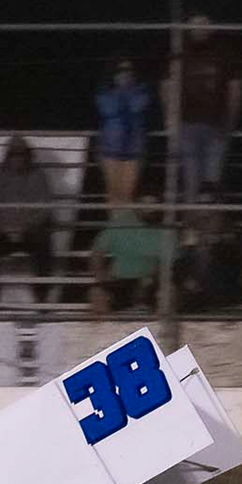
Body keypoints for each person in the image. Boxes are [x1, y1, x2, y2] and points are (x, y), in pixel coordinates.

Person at [172, 12, 242, 202]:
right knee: (192, 183)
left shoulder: (225, 52)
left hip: (216, 124)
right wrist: (171, 121)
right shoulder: (180, 52)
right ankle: (192, 221)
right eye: (195, 24)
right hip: (188, 124)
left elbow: (235, 90)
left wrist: (230, 122)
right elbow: (168, 87)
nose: (199, 29)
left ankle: (208, 220)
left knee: (211, 184)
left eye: (203, 24)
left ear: (211, 27)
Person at [0, 135, 55, 305]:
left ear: (28, 155)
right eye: (13, 154)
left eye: (21, 154)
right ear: (7, 155)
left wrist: (26, 226)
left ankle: (41, 296)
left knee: (44, 240)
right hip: (1, 232)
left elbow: (46, 209)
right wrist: (5, 227)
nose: (17, 158)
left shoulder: (39, 176)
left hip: (30, 231)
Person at [88, 197, 165, 316]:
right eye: (146, 205)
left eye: (154, 206)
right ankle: (106, 327)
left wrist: (156, 278)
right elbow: (98, 251)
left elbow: (169, 262)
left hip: (150, 282)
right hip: (120, 281)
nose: (150, 209)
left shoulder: (165, 226)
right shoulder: (120, 223)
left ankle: (159, 327)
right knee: (97, 294)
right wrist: (101, 274)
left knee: (166, 294)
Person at [175, 189, 242, 312]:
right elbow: (178, 265)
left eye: (209, 204)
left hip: (221, 297)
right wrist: (186, 279)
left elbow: (234, 265)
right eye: (201, 205)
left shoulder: (230, 233)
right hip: (192, 299)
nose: (205, 209)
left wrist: (214, 241)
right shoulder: (189, 231)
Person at [94, 55, 152, 209]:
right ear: (113, 72)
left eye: (129, 69)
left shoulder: (141, 89)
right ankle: (114, 223)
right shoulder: (104, 91)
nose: (125, 73)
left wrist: (126, 91)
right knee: (113, 194)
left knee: (128, 195)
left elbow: (137, 106)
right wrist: (121, 91)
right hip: (110, 149)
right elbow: (108, 109)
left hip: (134, 150)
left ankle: (124, 222)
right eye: (121, 69)